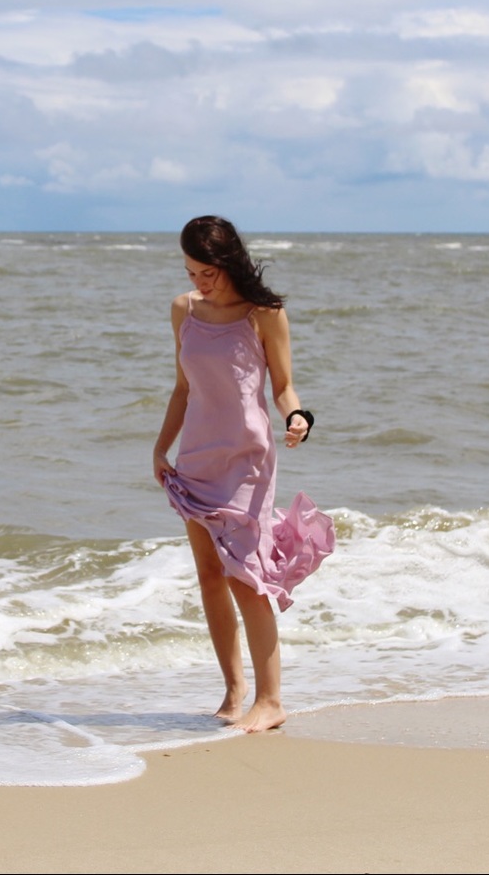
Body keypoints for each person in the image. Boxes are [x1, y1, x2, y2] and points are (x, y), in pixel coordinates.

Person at [153, 215, 334, 734]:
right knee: (210, 575)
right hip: (197, 457)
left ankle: (271, 699)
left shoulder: (264, 313)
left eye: (206, 271)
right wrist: (161, 447)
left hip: (247, 461)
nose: (198, 282)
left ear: (228, 261)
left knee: (247, 579)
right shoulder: (183, 311)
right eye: (190, 272)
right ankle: (234, 692)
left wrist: (298, 417)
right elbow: (183, 389)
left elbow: (283, 387)